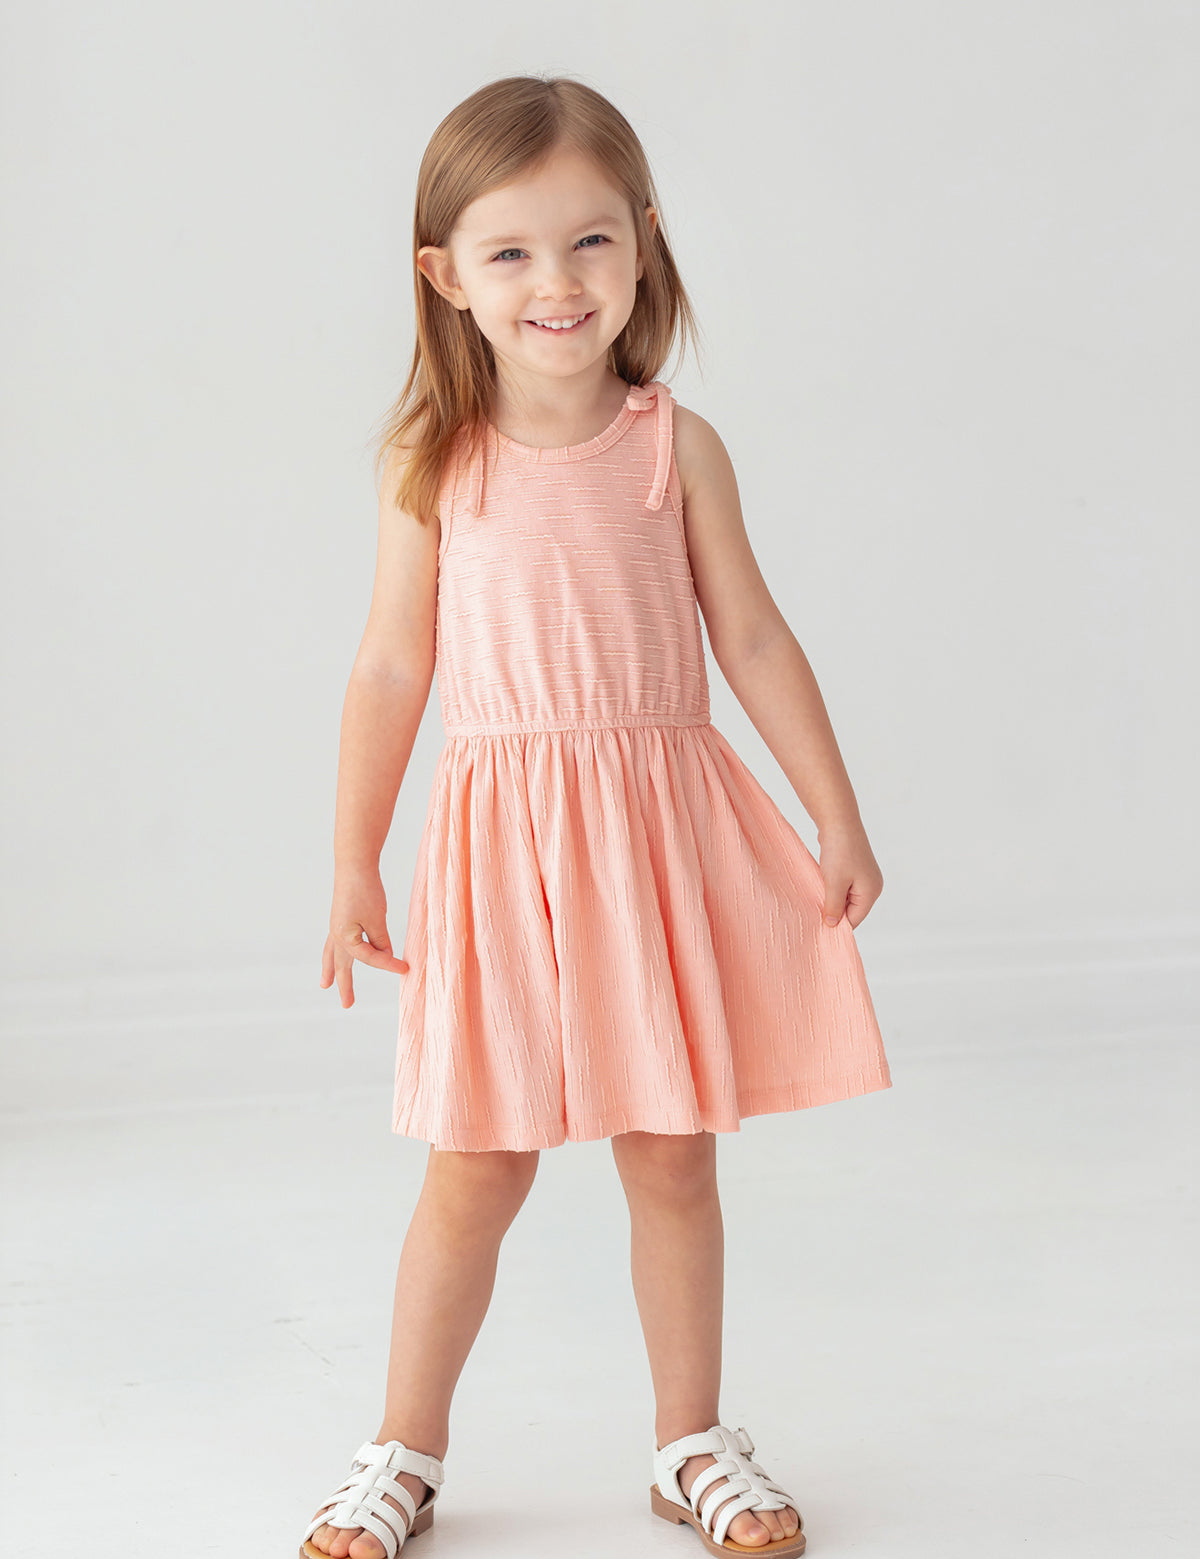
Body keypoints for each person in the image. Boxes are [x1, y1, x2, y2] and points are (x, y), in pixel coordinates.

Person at [301, 73, 892, 1559]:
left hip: (655, 841)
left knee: (672, 1152)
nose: (557, 284)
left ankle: (690, 1439)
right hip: (505, 850)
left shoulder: (671, 448)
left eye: (590, 243)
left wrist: (835, 811)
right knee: (476, 1166)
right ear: (445, 276)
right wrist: (350, 856)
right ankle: (403, 1449)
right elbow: (391, 663)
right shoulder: (431, 464)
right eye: (509, 253)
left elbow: (753, 638)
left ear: (645, 242)